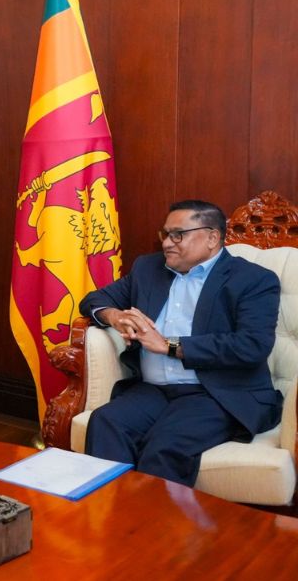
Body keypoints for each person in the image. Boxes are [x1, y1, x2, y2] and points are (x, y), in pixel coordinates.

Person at [81, 199, 282, 486]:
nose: (166, 243)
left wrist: (169, 346)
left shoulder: (253, 280)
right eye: (165, 234)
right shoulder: (148, 269)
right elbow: (95, 300)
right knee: (106, 422)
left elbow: (252, 345)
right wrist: (115, 316)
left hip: (215, 394)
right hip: (152, 391)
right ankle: (108, 510)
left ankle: (150, 517)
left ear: (212, 238)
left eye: (178, 235)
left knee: (164, 448)